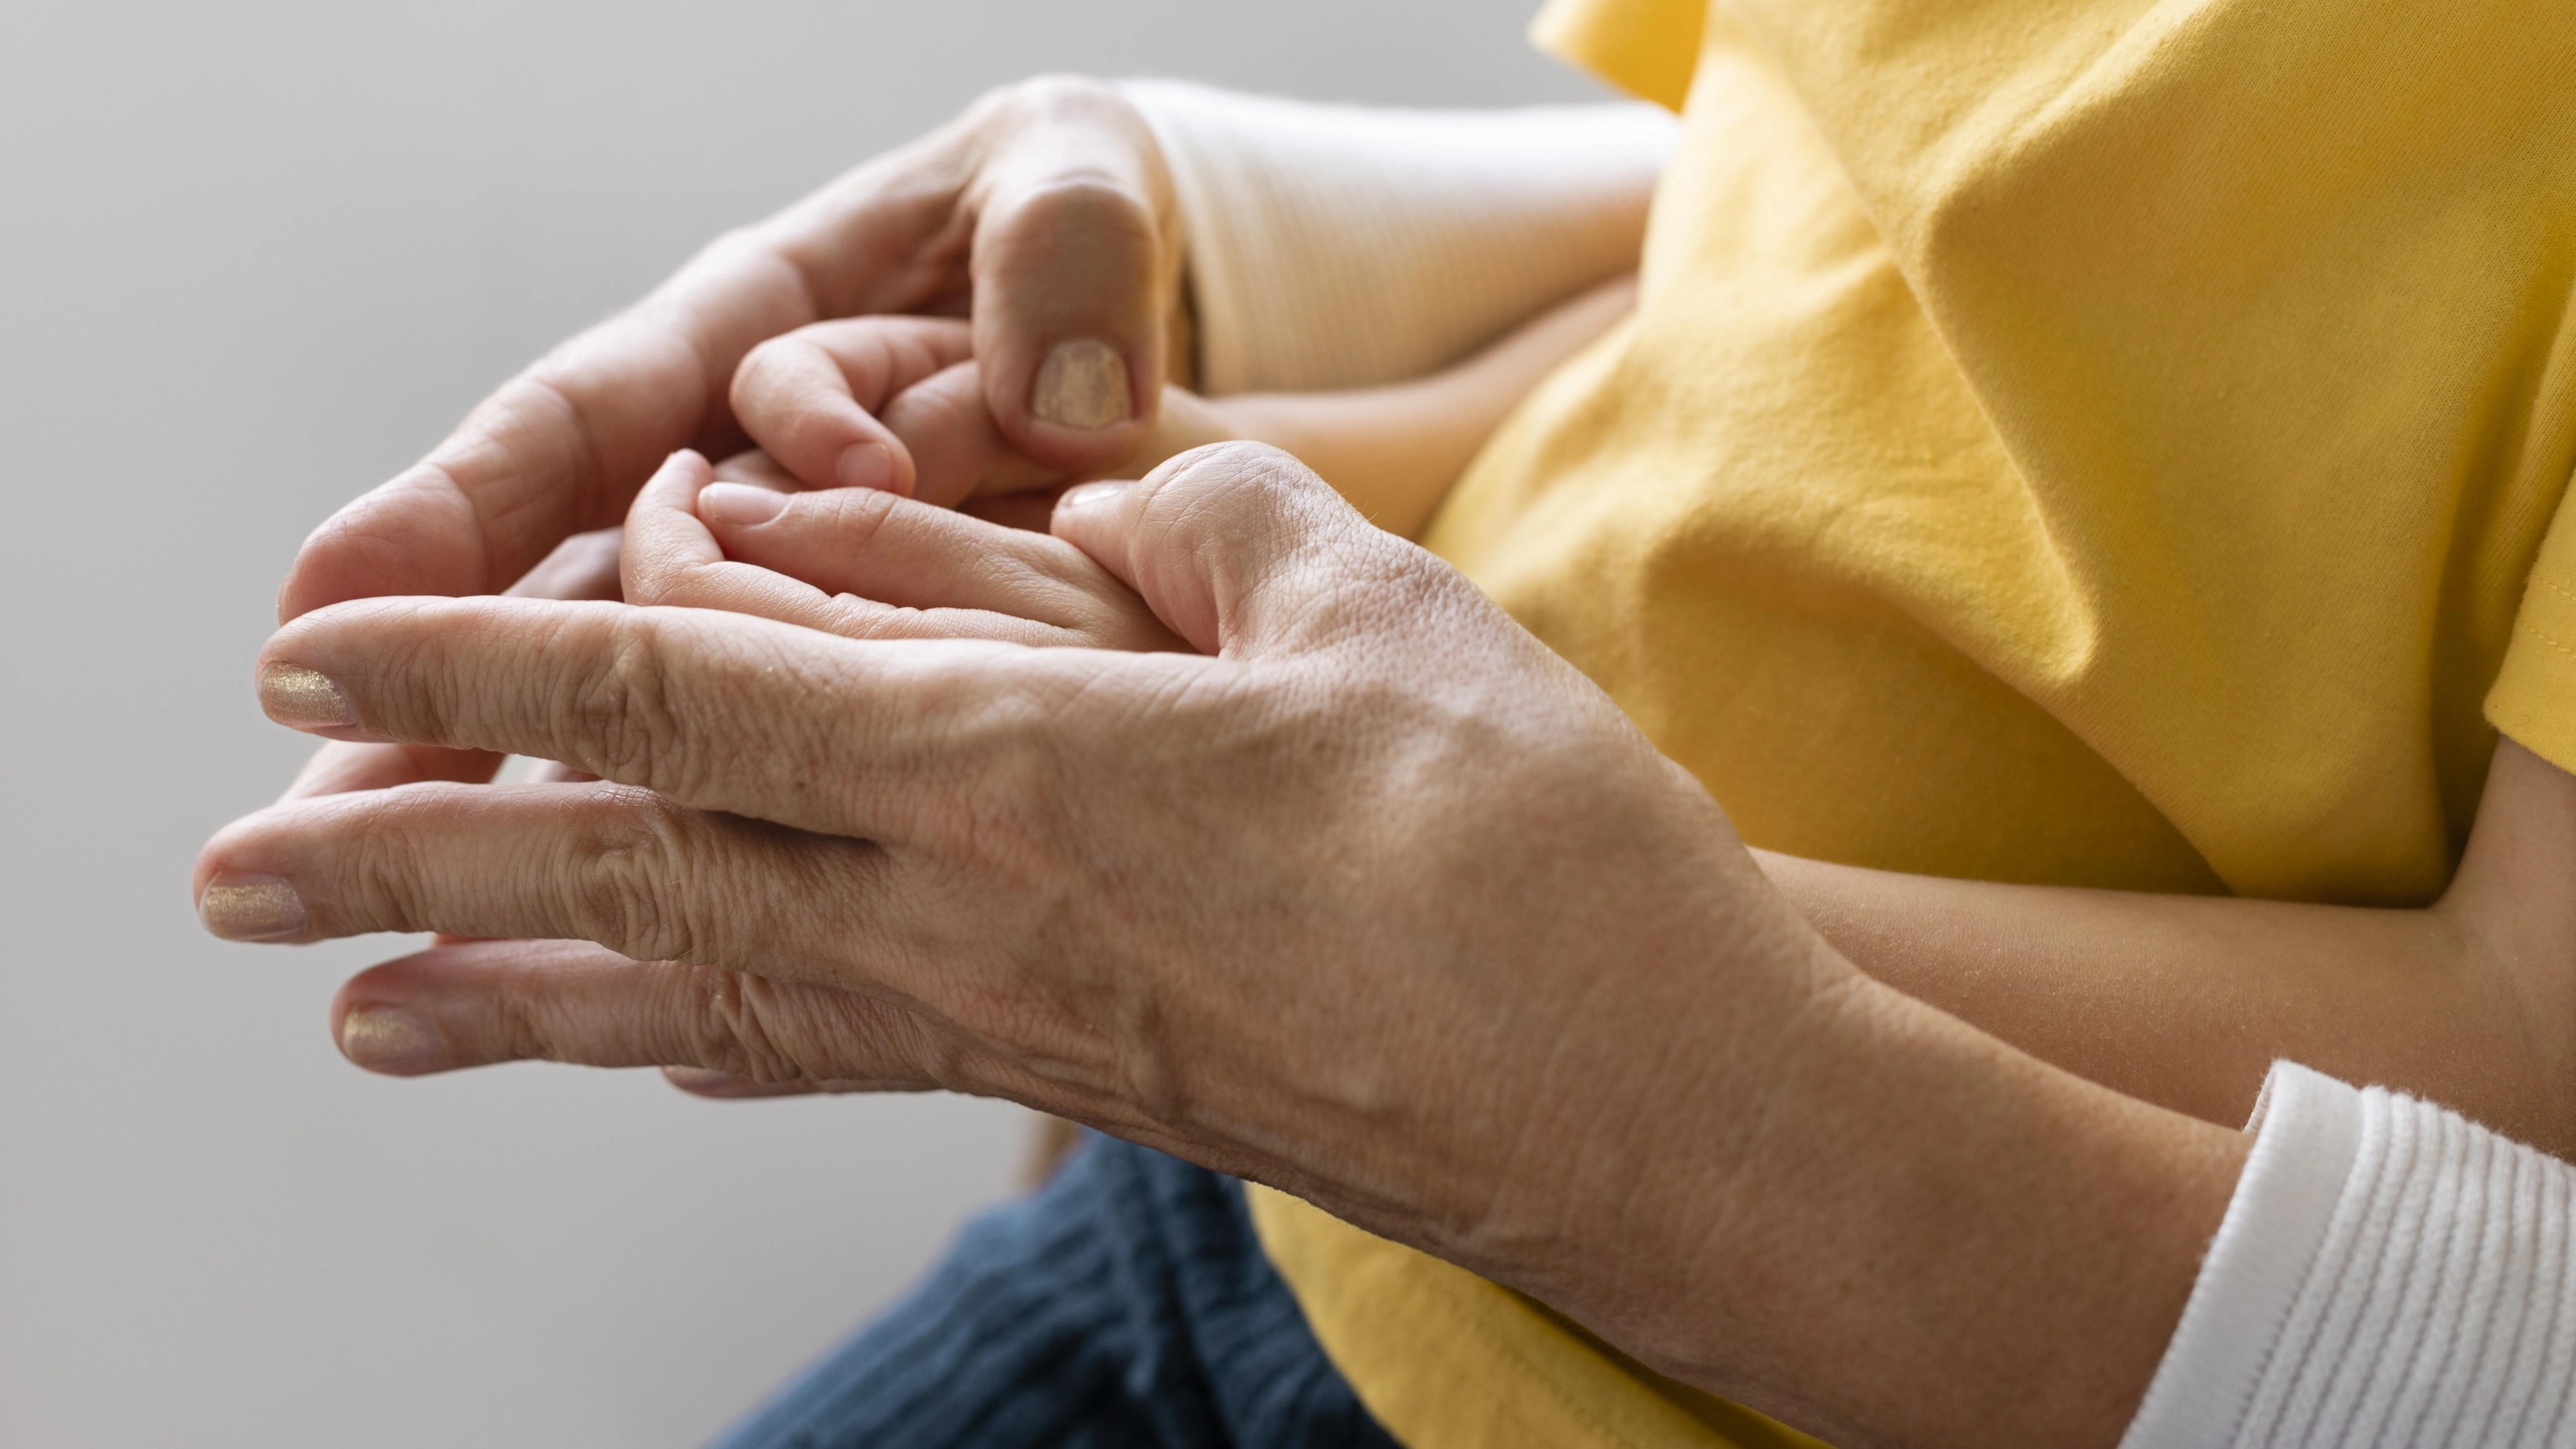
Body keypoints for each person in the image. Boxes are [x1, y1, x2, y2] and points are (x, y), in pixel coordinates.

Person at [193, 0, 2576, 1440]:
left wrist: (1376, 902)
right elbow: (1782, 280)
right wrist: (1154, 479)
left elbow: (2531, 1061)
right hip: (1266, 1215)